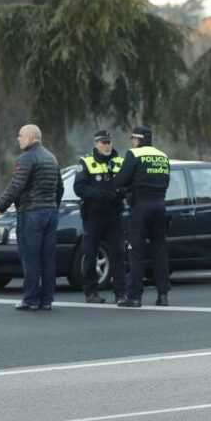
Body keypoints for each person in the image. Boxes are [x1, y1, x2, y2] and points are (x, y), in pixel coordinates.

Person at [0, 124, 64, 311]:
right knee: (47, 258)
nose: (18, 139)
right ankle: (47, 300)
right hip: (50, 213)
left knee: (30, 258)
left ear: (31, 138)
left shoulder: (26, 158)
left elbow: (16, 186)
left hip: (31, 214)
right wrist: (53, 206)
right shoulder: (51, 157)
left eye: (21, 136)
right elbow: (59, 188)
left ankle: (30, 299)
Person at [114, 125, 170, 307]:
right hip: (160, 205)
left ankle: (134, 296)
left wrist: (126, 189)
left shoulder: (134, 154)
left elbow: (121, 180)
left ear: (138, 140)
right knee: (159, 251)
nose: (132, 142)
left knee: (136, 251)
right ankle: (163, 296)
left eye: (133, 139)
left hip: (141, 207)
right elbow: (167, 181)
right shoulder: (162, 156)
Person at [73, 129, 126, 304]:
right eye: (103, 142)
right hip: (93, 215)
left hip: (114, 215)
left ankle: (120, 293)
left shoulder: (120, 162)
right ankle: (91, 292)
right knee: (90, 253)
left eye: (109, 142)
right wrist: (99, 194)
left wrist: (118, 193)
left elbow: (128, 185)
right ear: (96, 144)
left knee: (118, 253)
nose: (107, 145)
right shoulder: (86, 161)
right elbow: (79, 187)